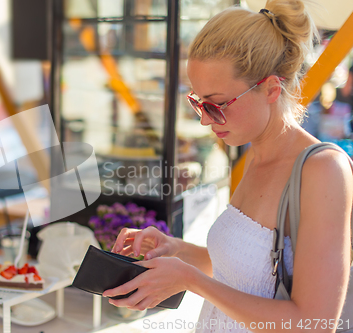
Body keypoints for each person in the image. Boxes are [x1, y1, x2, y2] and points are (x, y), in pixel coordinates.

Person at [103, 0, 353, 331]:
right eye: (197, 102)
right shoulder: (255, 152)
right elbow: (244, 270)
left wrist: (191, 280)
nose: (205, 119)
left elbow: (314, 323)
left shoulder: (323, 170)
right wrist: (175, 250)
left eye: (217, 104)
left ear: (271, 88)